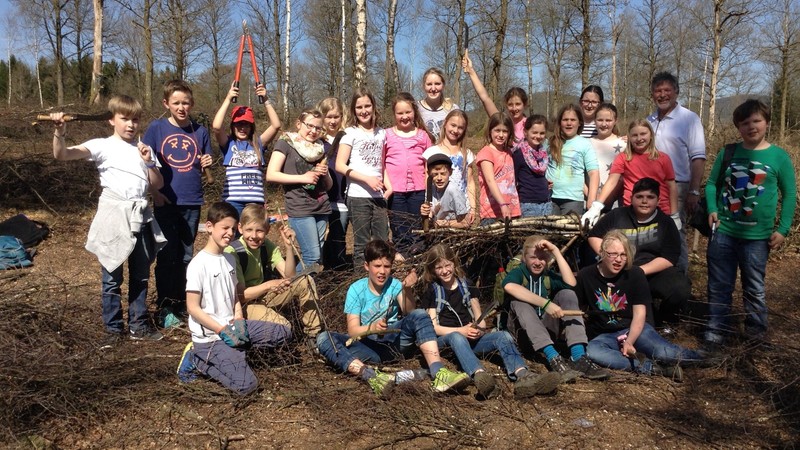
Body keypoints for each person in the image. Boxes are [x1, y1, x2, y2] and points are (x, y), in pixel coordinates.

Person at [49, 96, 167, 344]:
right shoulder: (101, 145)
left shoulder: (144, 148)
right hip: (114, 215)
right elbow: (63, 155)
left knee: (141, 275)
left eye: (135, 119)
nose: (131, 125)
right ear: (112, 120)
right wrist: (60, 132)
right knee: (112, 278)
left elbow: (158, 184)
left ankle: (138, 326)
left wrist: (148, 162)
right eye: (124, 119)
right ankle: (113, 330)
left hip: (141, 216)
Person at [315, 240, 470, 397]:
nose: (382, 271)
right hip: (369, 345)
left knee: (420, 314)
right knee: (324, 338)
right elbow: (353, 330)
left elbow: (410, 312)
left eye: (387, 266)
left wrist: (407, 289)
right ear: (367, 266)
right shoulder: (356, 289)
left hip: (395, 342)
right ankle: (372, 377)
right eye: (377, 266)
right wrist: (372, 328)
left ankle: (439, 373)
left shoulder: (395, 285)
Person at [705, 99, 797, 346]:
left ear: (766, 122)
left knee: (754, 288)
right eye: (745, 123)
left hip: (757, 238)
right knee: (719, 286)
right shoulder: (728, 152)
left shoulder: (779, 156)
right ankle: (715, 332)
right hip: (724, 232)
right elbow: (712, 183)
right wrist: (712, 209)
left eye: (756, 121)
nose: (751, 127)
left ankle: (756, 334)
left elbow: (789, 195)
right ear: (738, 127)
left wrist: (783, 229)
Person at [176, 202, 292, 395]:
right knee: (247, 386)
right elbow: (192, 308)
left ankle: (236, 355)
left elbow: (235, 294)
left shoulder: (229, 258)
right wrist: (221, 330)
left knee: (284, 333)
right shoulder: (199, 264)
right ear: (210, 227)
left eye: (232, 228)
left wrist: (238, 318)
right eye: (224, 228)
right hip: (212, 337)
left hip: (233, 325)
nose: (229, 233)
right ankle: (197, 360)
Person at [420, 244, 563, 398]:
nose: (445, 271)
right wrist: (461, 331)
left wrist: (478, 329)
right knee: (457, 337)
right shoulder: (432, 290)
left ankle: (523, 375)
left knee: (503, 336)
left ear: (454, 263)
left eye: (447, 265)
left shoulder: (466, 285)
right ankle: (480, 376)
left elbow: (479, 318)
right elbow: (433, 327)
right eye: (439, 267)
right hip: (447, 340)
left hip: (469, 338)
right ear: (433, 270)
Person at [575, 231, 706, 380]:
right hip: (604, 335)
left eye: (623, 255)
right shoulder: (586, 275)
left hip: (635, 329)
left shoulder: (635, 274)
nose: (618, 260)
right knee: (593, 352)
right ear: (602, 252)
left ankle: (703, 357)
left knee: (665, 353)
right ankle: (652, 368)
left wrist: (629, 341)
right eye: (613, 254)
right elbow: (577, 308)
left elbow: (640, 314)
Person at [143, 80, 213, 328]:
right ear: (166, 104)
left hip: (192, 201)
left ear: (192, 103)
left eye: (185, 102)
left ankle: (183, 303)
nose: (181, 107)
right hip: (165, 201)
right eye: (176, 103)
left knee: (185, 255)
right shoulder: (156, 129)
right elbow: (143, 162)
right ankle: (164, 307)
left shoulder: (200, 131)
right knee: (166, 255)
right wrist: (154, 192)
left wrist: (208, 160)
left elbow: (207, 159)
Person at [502, 236, 612, 381]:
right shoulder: (519, 273)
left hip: (546, 332)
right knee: (519, 302)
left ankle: (578, 356)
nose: (537, 262)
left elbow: (572, 283)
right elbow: (509, 286)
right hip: (522, 336)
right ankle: (553, 357)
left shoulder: (548, 276)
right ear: (524, 258)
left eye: (542, 258)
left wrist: (556, 251)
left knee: (567, 293)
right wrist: (546, 304)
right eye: (533, 257)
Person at [588, 178, 688, 327]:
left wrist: (639, 271)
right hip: (618, 270)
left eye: (650, 197)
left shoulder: (665, 222)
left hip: (651, 272)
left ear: (658, 200)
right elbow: (594, 235)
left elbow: (670, 257)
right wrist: (610, 257)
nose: (644, 201)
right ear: (631, 198)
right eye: (639, 197)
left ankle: (665, 321)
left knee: (680, 287)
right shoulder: (617, 215)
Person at [224, 204, 322, 345]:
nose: (254, 236)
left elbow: (290, 276)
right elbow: (241, 296)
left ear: (267, 230)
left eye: (259, 231)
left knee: (305, 281)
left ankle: (314, 335)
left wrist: (288, 247)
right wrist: (269, 285)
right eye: (249, 230)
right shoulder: (233, 252)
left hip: (264, 296)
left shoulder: (266, 246)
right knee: (283, 327)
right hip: (244, 305)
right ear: (240, 228)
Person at [646, 71, 706, 274]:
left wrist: (694, 191)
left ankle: (680, 282)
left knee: (675, 233)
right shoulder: (649, 120)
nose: (662, 95)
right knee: (652, 234)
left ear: (676, 92)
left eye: (667, 90)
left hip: (678, 186)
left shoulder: (689, 119)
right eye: (657, 91)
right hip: (651, 187)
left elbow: (698, 157)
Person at [266, 109, 332, 269]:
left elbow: (329, 186)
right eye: (309, 126)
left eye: (318, 128)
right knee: (312, 256)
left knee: (318, 258)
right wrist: (303, 178)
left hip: (322, 207)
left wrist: (325, 175)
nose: (313, 131)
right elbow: (271, 174)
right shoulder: (286, 143)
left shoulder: (320, 148)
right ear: (298, 124)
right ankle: (294, 288)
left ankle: (309, 291)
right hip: (300, 207)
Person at [583, 120, 678, 227]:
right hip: (632, 212)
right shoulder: (623, 158)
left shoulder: (663, 158)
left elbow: (672, 186)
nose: (639, 138)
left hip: (660, 210)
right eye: (634, 135)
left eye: (643, 134)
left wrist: (674, 214)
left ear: (651, 135)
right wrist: (597, 206)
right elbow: (611, 181)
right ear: (629, 138)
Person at [335, 88, 389, 268]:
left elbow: (384, 164)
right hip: (358, 196)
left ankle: (382, 282)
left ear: (374, 107)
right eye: (359, 107)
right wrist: (367, 179)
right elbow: (340, 165)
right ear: (353, 110)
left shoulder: (383, 133)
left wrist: (389, 186)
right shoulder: (350, 133)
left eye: (367, 106)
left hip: (379, 196)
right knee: (361, 245)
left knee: (382, 243)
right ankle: (361, 285)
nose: (364, 111)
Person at [211, 82, 281, 217]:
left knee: (254, 236)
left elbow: (276, 125)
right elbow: (216, 127)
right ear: (232, 126)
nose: (242, 128)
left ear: (251, 127)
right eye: (239, 124)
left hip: (255, 202)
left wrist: (266, 99)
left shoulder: (259, 144)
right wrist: (228, 98)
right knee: (233, 237)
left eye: (246, 125)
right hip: (232, 201)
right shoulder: (229, 144)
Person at [383, 92, 433, 256]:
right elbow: (381, 163)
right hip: (395, 193)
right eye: (400, 113)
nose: (404, 116)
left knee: (417, 232)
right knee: (400, 233)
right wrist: (387, 187)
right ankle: (404, 270)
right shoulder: (387, 135)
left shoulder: (423, 135)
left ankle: (417, 267)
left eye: (408, 112)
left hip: (418, 192)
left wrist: (427, 192)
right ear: (394, 114)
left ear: (414, 112)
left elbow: (429, 167)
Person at [422, 110, 477, 224]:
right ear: (445, 123)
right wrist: (429, 207)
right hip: (439, 208)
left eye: (460, 127)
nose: (456, 130)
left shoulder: (467, 154)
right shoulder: (432, 152)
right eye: (453, 125)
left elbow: (470, 182)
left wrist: (472, 208)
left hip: (461, 209)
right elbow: (427, 182)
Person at [546, 104, 599, 215]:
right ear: (560, 122)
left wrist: (591, 199)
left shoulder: (585, 144)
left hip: (573, 199)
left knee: (570, 231)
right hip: (549, 197)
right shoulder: (549, 142)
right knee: (548, 232)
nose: (569, 123)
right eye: (565, 120)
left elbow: (594, 173)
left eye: (573, 120)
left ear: (579, 122)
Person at [462, 53, 528, 142]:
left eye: (518, 104)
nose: (514, 108)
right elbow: (485, 98)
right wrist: (471, 71)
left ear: (525, 104)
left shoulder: (530, 124)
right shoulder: (502, 120)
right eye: (510, 104)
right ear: (506, 105)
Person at [317, 97, 349, 270]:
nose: (332, 121)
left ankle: (337, 272)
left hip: (340, 197)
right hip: (321, 197)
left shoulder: (346, 138)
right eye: (328, 116)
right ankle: (319, 270)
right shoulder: (317, 140)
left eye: (336, 116)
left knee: (338, 236)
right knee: (318, 238)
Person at [476, 112, 521, 226]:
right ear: (490, 131)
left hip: (512, 210)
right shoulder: (486, 152)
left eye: (505, 131)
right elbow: (490, 181)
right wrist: (502, 204)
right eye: (497, 130)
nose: (501, 135)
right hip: (492, 213)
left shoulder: (509, 152)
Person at [512, 115, 551, 217]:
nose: (538, 136)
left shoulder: (543, 153)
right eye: (534, 132)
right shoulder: (519, 154)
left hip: (545, 203)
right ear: (525, 132)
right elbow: (513, 180)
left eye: (542, 133)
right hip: (527, 203)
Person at [420, 154, 470, 229]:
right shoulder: (431, 189)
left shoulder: (453, 191)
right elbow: (431, 212)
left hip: (454, 234)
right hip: (437, 233)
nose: (439, 178)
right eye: (435, 174)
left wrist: (446, 223)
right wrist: (425, 212)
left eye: (443, 174)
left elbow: (466, 222)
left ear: (450, 172)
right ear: (429, 174)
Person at [590, 103, 626, 202]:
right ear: (594, 121)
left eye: (608, 120)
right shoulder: (587, 144)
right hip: (589, 199)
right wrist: (592, 197)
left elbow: (625, 177)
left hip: (615, 200)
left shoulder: (624, 145)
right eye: (600, 120)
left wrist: (610, 197)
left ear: (615, 121)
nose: (604, 124)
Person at [417, 68, 460, 137]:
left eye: (437, 84)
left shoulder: (453, 109)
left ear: (443, 85)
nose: (433, 88)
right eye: (429, 84)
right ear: (424, 86)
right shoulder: (416, 109)